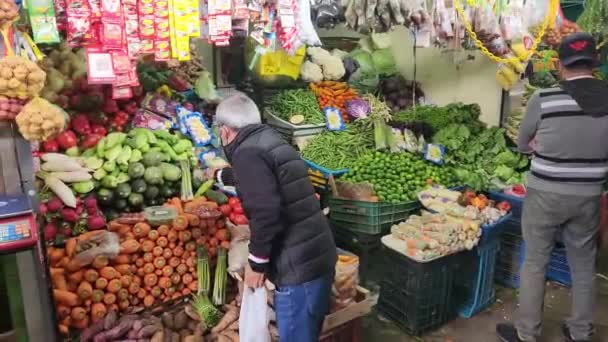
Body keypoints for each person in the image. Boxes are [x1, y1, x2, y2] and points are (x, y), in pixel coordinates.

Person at [496, 32, 608, 342]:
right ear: (594, 63)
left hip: (545, 193)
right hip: (588, 195)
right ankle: (580, 332)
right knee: (584, 264)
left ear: (560, 64)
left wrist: (536, 145)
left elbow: (521, 143)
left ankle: (527, 334)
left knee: (535, 261)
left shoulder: (544, 98)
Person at [214, 92, 337, 342]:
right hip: (317, 254)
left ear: (225, 131)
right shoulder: (269, 138)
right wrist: (222, 177)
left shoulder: (246, 153)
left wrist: (257, 263)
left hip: (298, 267)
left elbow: (266, 212)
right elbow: (267, 179)